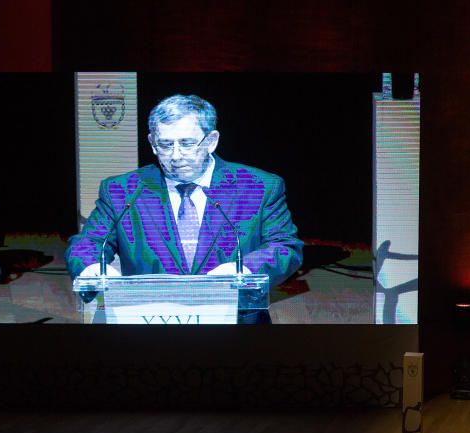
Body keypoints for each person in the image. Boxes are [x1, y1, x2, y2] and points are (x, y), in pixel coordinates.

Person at [65, 94, 303, 291]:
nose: (176, 156)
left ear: (211, 141)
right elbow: (88, 242)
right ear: (152, 143)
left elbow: (284, 246)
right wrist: (91, 268)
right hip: (148, 318)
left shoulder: (258, 187)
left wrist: (245, 270)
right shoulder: (122, 191)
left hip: (234, 313)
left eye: (187, 144)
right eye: (166, 145)